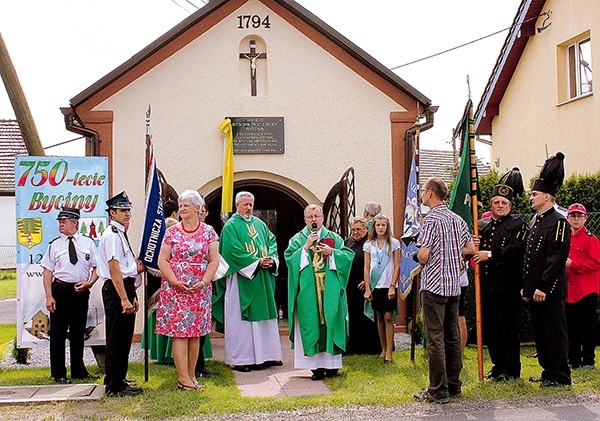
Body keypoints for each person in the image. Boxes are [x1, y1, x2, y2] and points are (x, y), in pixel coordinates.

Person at [414, 177, 474, 404]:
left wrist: (416, 255)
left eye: (423, 191)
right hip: (453, 285)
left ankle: (438, 390)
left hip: (434, 285)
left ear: (430, 193)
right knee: (452, 336)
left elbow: (424, 254)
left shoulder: (431, 220)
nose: (422, 194)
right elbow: (469, 247)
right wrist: (456, 254)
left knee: (435, 338)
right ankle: (454, 385)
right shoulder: (457, 219)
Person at [155, 190, 219, 390]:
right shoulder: (171, 232)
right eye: (180, 206)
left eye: (186, 205)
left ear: (197, 208)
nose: (181, 209)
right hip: (176, 289)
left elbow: (214, 259)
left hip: (199, 289)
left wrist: (204, 281)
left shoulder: (208, 231)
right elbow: (162, 260)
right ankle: (183, 377)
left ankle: (192, 376)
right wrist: (174, 281)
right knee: (180, 333)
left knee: (195, 333)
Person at [212, 191, 282, 372]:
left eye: (251, 204)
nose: (249, 208)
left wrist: (271, 260)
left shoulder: (260, 224)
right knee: (241, 323)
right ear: (237, 205)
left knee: (264, 320)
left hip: (262, 280)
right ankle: (242, 359)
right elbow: (230, 251)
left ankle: (268, 355)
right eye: (245, 204)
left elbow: (271, 242)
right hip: (241, 279)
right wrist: (256, 262)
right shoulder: (230, 227)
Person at [285, 204, 354, 380]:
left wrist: (332, 253)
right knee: (311, 323)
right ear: (305, 220)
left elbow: (347, 257)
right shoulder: (298, 240)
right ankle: (315, 368)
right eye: (310, 217)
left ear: (323, 218)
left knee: (330, 321)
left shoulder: (334, 238)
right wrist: (305, 248)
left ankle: (332, 366)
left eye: (317, 216)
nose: (314, 220)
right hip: (308, 292)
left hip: (329, 290)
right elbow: (289, 259)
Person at [472, 169, 528, 381]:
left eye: (504, 203)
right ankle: (497, 366)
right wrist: (473, 245)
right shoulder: (483, 225)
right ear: (491, 205)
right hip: (486, 286)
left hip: (508, 286)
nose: (501, 206)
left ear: (510, 206)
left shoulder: (518, 225)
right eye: (497, 202)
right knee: (492, 330)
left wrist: (490, 254)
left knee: (508, 329)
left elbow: (518, 249)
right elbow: (474, 251)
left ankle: (511, 369)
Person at [522, 152, 571, 387]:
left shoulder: (559, 222)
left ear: (547, 197)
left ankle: (560, 375)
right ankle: (547, 372)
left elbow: (557, 259)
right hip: (536, 291)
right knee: (541, 334)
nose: (531, 198)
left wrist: (543, 287)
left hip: (549, 291)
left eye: (534, 194)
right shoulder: (537, 220)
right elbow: (532, 259)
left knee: (555, 333)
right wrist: (528, 288)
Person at [41, 207, 99, 384]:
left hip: (80, 291)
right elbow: (47, 272)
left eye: (64, 221)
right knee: (58, 333)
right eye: (59, 221)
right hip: (60, 290)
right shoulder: (54, 245)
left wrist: (90, 282)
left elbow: (97, 267)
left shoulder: (87, 243)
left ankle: (78, 370)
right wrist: (49, 296)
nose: (60, 224)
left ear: (74, 223)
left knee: (78, 332)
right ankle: (58, 372)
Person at [97, 191, 142, 397]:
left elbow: (127, 268)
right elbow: (115, 269)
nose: (127, 214)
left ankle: (118, 378)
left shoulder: (120, 234)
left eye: (128, 210)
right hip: (116, 289)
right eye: (123, 210)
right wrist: (123, 298)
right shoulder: (112, 235)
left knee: (124, 337)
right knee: (117, 337)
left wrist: (131, 295)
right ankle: (114, 385)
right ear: (112, 213)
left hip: (125, 286)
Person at [565, 203, 600, 369]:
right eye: (573, 216)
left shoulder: (591, 239)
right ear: (568, 218)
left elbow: (595, 263)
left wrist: (573, 265)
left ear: (585, 218)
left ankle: (588, 360)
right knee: (571, 327)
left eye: (579, 216)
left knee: (588, 328)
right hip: (570, 289)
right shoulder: (565, 238)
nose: (576, 219)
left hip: (587, 289)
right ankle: (574, 360)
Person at [363, 214, 400, 363]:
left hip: (388, 285)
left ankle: (390, 351)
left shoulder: (394, 243)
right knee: (379, 316)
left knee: (388, 316)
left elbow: (397, 265)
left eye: (383, 225)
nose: (380, 228)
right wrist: (367, 287)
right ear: (374, 226)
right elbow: (366, 267)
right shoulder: (368, 245)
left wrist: (392, 285)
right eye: (378, 225)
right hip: (375, 284)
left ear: (387, 226)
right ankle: (383, 348)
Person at [343, 216, 380, 355]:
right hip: (350, 285)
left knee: (367, 316)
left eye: (358, 229)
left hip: (366, 285)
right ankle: (353, 347)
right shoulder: (348, 242)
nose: (355, 232)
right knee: (353, 316)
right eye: (353, 230)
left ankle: (370, 348)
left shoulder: (372, 243)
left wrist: (368, 281)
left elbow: (377, 263)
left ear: (366, 229)